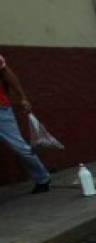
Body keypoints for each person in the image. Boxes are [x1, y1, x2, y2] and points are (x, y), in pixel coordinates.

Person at [0, 55, 51, 193]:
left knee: (19, 147)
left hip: (1, 111)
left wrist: (23, 98)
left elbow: (8, 75)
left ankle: (43, 178)